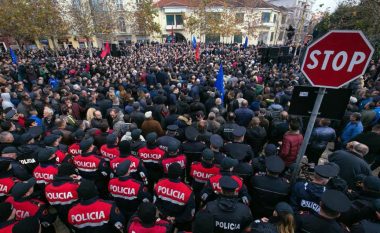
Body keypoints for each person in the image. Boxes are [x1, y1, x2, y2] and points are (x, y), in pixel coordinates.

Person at [154, 163, 195, 231]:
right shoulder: (188, 191)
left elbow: (156, 202)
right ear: (180, 174)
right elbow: (189, 214)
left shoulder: (159, 184)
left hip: (164, 218)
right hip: (179, 221)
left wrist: (166, 216)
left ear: (168, 172)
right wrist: (176, 219)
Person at [45, 163, 80, 231]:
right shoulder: (75, 185)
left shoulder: (48, 187)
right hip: (77, 213)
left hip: (62, 213)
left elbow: (51, 202)